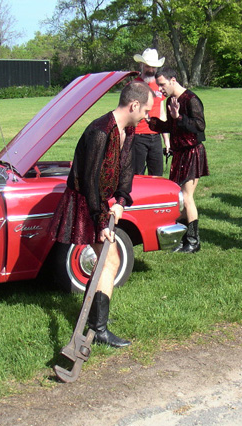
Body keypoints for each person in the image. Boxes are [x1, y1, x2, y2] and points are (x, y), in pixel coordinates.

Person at [50, 81, 154, 348]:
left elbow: (126, 169)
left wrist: (120, 199)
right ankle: (99, 330)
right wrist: (100, 219)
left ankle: (95, 325)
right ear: (134, 105)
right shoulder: (99, 131)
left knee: (109, 260)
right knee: (109, 261)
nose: (147, 116)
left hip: (100, 202)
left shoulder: (127, 131)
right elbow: (90, 181)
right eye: (146, 111)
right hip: (85, 202)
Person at [148, 67, 209, 253]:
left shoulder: (191, 99)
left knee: (187, 196)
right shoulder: (170, 101)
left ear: (173, 80)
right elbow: (172, 127)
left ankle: (193, 241)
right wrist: (153, 122)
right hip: (179, 153)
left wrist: (179, 117)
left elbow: (199, 126)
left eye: (162, 84)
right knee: (179, 197)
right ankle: (183, 239)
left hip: (192, 152)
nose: (160, 89)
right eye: (158, 85)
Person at [132, 48, 170, 176]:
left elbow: (162, 113)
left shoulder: (160, 86)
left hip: (155, 136)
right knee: (137, 175)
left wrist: (167, 140)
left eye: (154, 67)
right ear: (141, 65)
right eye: (148, 66)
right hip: (138, 136)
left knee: (157, 175)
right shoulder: (133, 86)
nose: (151, 70)